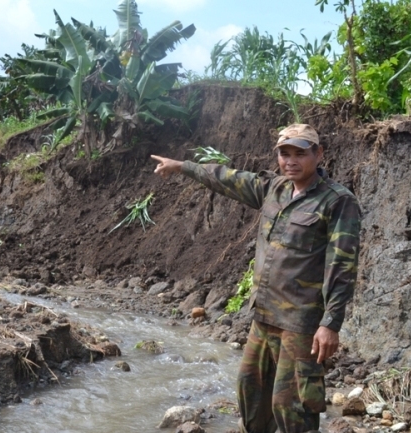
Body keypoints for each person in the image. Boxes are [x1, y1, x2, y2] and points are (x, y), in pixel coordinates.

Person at [151, 124, 361, 433]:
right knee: (250, 392)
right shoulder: (273, 188)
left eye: (300, 153)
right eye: (284, 153)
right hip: (263, 317)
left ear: (319, 154)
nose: (290, 160)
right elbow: (226, 179)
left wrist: (330, 323)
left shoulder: (338, 201)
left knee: (293, 406)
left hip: (301, 324)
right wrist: (182, 166)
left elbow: (342, 265)